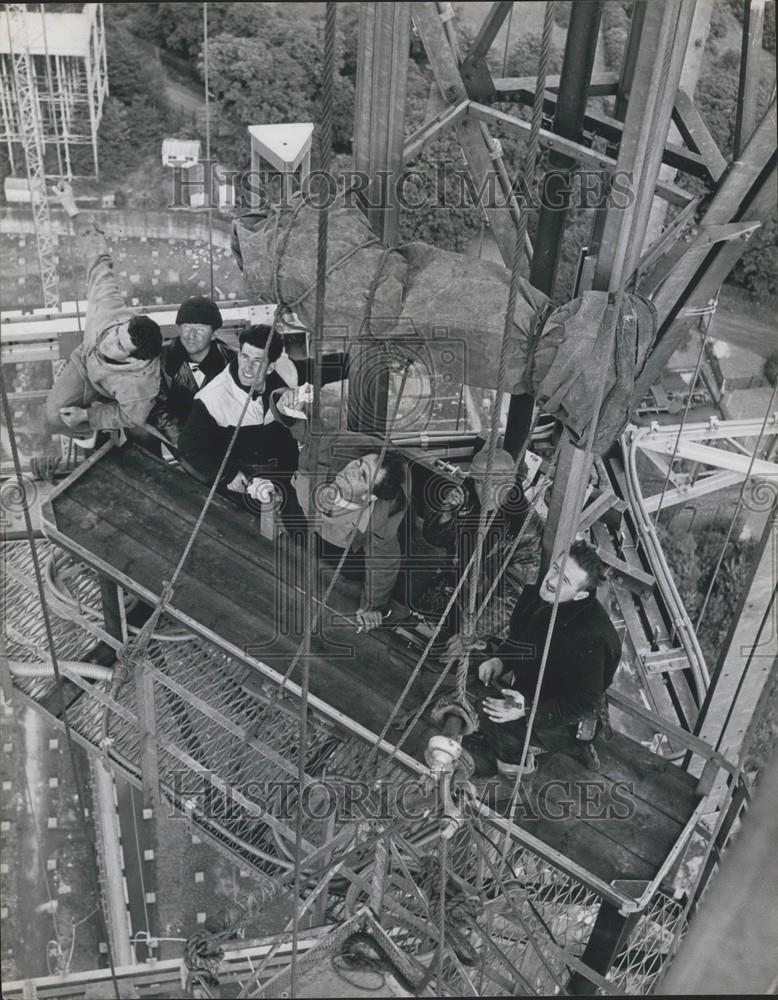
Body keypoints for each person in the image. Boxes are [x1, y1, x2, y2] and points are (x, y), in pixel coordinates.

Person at [474, 540, 621, 779]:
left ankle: (518, 775)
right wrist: (500, 661)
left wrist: (527, 709)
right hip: (535, 688)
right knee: (477, 677)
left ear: (581, 593)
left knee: (493, 717)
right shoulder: (538, 596)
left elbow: (582, 703)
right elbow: (521, 639)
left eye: (564, 581)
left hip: (570, 714)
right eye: (555, 569)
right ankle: (563, 745)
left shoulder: (591, 638)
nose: (551, 581)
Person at [46, 181, 162, 439]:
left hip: (115, 387)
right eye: (117, 332)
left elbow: (133, 416)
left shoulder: (140, 385)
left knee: (57, 416)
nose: (109, 342)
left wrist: (89, 416)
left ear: (134, 360)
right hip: (85, 362)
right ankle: (90, 425)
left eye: (120, 347)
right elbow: (98, 260)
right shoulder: (108, 308)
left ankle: (94, 426)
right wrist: (72, 209)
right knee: (55, 414)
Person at [289, 418, 408, 631]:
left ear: (369, 497)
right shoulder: (326, 459)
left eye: (362, 476)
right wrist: (285, 407)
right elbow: (308, 426)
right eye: (359, 462)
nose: (352, 468)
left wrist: (373, 606)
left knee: (353, 572)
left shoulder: (376, 521)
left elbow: (384, 563)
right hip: (304, 514)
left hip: (340, 544)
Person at [177, 324, 301, 503]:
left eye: (258, 361)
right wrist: (229, 475)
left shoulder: (285, 372)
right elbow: (189, 448)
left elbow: (315, 369)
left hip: (288, 474)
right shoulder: (212, 398)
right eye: (244, 356)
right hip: (246, 484)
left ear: (271, 367)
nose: (247, 368)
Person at [421, 447, 531, 636]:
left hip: (488, 613)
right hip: (447, 591)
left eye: (496, 483)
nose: (486, 492)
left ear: (511, 482)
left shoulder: (525, 527)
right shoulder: (466, 497)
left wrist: (474, 632)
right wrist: (445, 512)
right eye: (480, 482)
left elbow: (513, 596)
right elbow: (432, 538)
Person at [147, 296, 234, 448]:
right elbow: (158, 410)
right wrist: (186, 445)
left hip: (220, 441)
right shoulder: (160, 360)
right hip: (178, 439)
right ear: (179, 328)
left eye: (200, 329)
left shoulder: (232, 361)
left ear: (215, 334)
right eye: (186, 327)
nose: (191, 335)